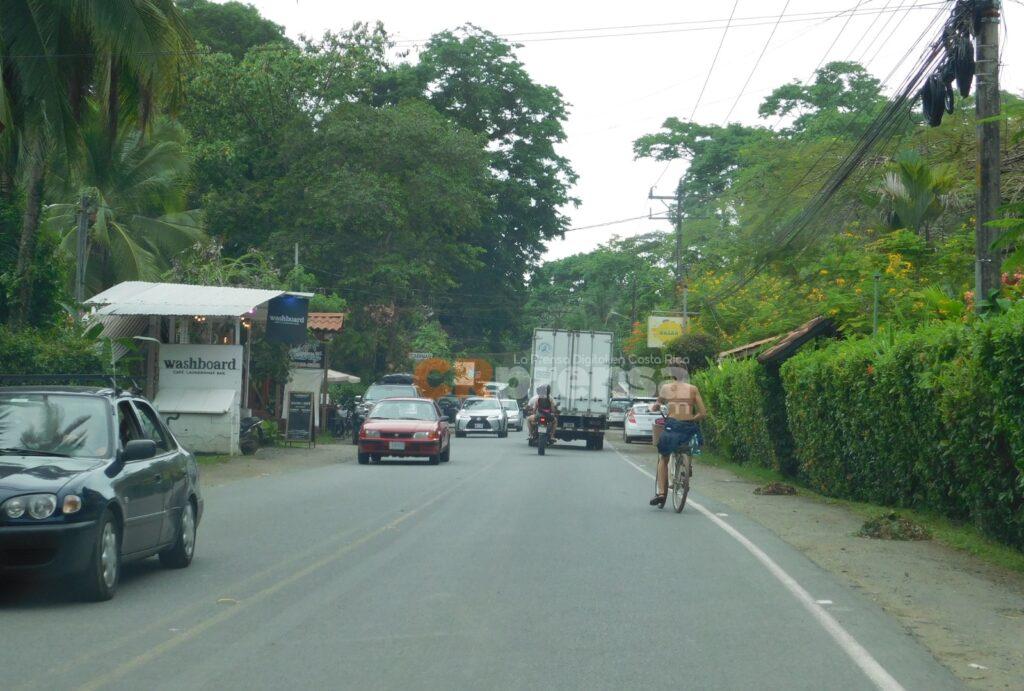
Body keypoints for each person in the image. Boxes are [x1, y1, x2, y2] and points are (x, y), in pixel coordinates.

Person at [649, 360, 706, 508]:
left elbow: (656, 406)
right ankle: (687, 466)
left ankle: (661, 494)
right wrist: (692, 418)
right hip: (688, 427)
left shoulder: (666, 388)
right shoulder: (693, 389)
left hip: (672, 427)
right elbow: (702, 413)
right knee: (689, 442)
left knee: (663, 458)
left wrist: (655, 406)